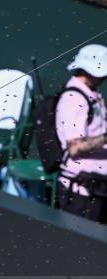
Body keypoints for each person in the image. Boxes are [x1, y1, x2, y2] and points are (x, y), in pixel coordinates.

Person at [56, 43, 107, 223]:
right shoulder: (73, 98)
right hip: (81, 194)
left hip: (96, 188)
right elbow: (75, 148)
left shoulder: (92, 94)